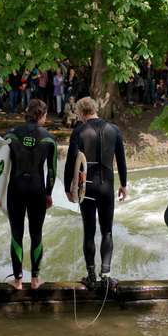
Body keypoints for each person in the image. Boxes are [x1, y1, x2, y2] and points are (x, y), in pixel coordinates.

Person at [64, 97, 127, 290]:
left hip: (87, 187)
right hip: (107, 186)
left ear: (82, 112)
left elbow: (70, 162)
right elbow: (121, 160)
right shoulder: (114, 130)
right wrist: (124, 184)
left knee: (89, 231)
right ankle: (106, 276)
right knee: (107, 231)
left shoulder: (80, 131)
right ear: (95, 109)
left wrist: (68, 188)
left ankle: (91, 276)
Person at [3, 99, 57, 290]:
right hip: (37, 190)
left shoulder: (10, 135)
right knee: (36, 234)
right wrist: (49, 194)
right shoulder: (49, 139)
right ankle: (35, 279)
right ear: (42, 115)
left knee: (16, 234)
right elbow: (51, 171)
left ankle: (17, 281)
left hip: (15, 188)